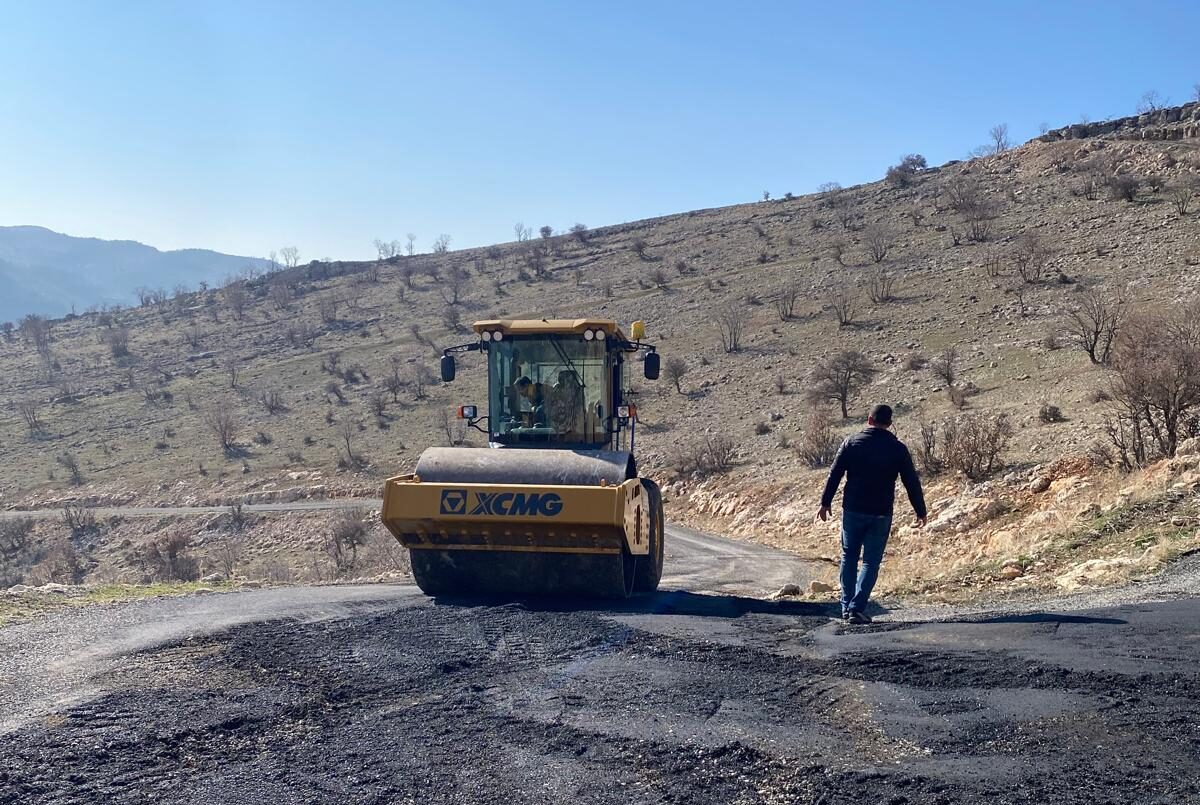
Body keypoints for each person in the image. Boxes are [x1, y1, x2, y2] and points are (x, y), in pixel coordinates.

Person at [816, 404, 927, 624]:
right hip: (881, 512)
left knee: (848, 557)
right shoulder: (898, 448)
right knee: (871, 562)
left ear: (869, 420)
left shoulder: (851, 443)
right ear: (890, 424)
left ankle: (846, 606)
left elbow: (834, 475)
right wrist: (920, 510)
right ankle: (857, 608)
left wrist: (825, 502)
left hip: (853, 510)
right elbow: (911, 482)